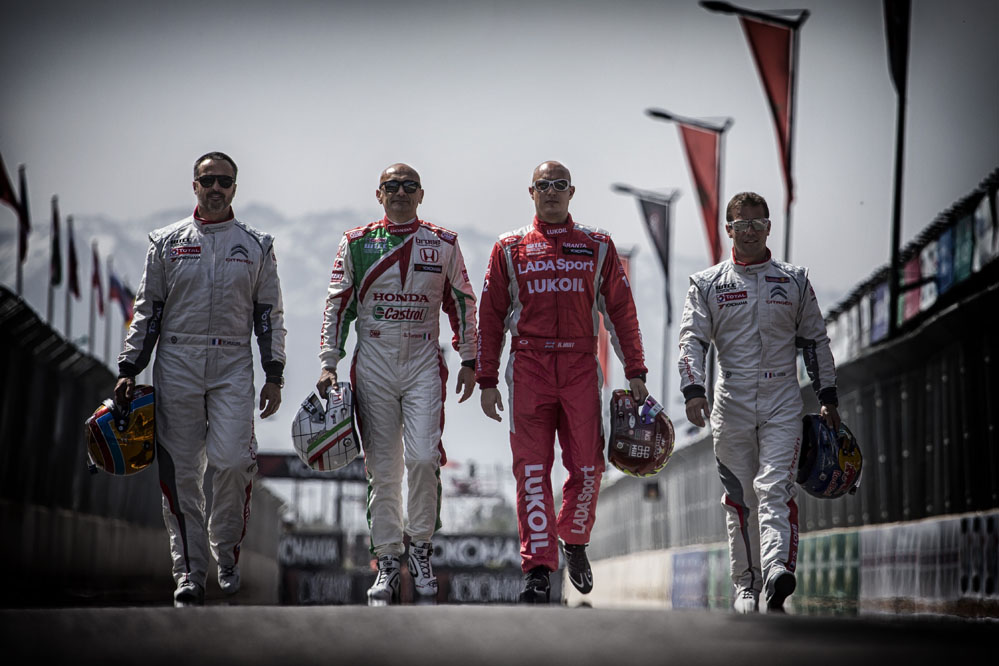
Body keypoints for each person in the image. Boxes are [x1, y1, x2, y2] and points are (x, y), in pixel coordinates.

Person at [115, 151, 286, 607]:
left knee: (232, 462)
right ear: (194, 185)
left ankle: (225, 551)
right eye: (207, 180)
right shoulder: (166, 242)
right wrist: (129, 368)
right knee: (182, 473)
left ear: (235, 188)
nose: (215, 188)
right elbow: (147, 309)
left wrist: (274, 373)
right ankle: (190, 571)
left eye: (224, 181)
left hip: (232, 361)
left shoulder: (257, 245)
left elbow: (268, 314)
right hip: (177, 359)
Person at [477, 160, 648, 603]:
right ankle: (537, 568)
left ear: (572, 192)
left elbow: (621, 313)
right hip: (528, 367)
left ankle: (573, 539)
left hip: (579, 366)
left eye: (559, 185)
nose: (550, 191)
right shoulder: (509, 247)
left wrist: (635, 370)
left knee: (588, 466)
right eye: (543, 185)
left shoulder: (598, 245)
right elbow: (490, 316)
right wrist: (487, 377)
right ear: (531, 192)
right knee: (532, 470)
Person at [317, 163, 478, 606]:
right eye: (392, 186)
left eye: (409, 186)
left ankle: (421, 548)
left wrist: (470, 359)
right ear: (379, 194)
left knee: (424, 458)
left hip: (424, 359)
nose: (400, 193)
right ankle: (387, 561)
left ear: (421, 194)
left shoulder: (443, 243)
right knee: (383, 469)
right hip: (374, 360)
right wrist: (329, 362)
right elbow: (336, 305)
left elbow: (463, 302)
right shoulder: (356, 242)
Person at [677, 191, 840, 614]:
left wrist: (828, 396)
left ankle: (776, 570)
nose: (749, 232)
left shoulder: (795, 280)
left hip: (782, 400)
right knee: (739, 499)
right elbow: (692, 340)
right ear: (728, 229)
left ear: (769, 228)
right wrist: (693, 390)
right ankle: (745, 586)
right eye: (741, 224)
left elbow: (815, 341)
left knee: (774, 487)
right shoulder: (706, 283)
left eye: (757, 224)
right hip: (730, 403)